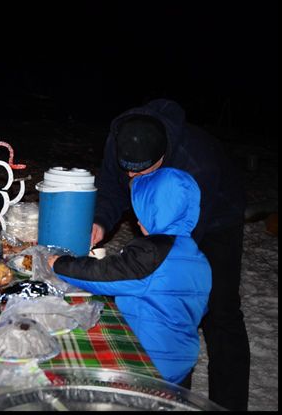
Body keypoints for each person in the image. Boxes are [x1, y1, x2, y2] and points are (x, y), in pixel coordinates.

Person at [90, 98, 249, 410]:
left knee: (217, 310)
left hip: (216, 217)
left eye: (144, 173)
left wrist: (144, 269)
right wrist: (100, 221)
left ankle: (228, 403)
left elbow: (178, 245)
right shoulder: (121, 139)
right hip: (162, 215)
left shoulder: (196, 161)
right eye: (130, 174)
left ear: (163, 157)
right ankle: (171, 399)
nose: (135, 183)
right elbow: (111, 186)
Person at [50, 167, 212, 387]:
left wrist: (58, 264)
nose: (137, 221)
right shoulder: (196, 255)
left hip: (149, 365)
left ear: (157, 210)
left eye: (143, 210)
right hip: (181, 364)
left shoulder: (153, 253)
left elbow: (103, 275)